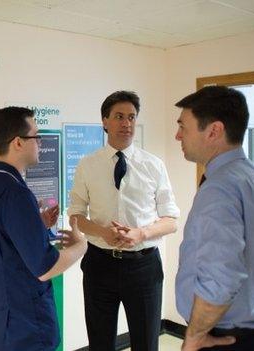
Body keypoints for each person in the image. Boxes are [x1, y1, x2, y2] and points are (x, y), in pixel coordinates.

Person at [0, 106, 88, 351]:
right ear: (18, 143)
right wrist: (80, 246)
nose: (40, 143)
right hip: (22, 328)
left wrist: (37, 225)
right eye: (36, 136)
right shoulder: (16, 193)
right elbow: (45, 267)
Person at [67, 91, 179, 350]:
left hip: (143, 267)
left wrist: (140, 234)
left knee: (146, 342)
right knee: (100, 342)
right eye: (119, 117)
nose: (126, 123)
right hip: (99, 264)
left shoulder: (153, 165)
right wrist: (102, 233)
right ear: (105, 121)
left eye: (131, 117)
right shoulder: (87, 164)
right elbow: (76, 216)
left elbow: (171, 220)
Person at [174, 86, 254, 351]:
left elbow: (220, 278)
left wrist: (194, 337)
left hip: (229, 340)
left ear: (214, 131)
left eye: (183, 127)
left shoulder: (219, 189)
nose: (178, 136)